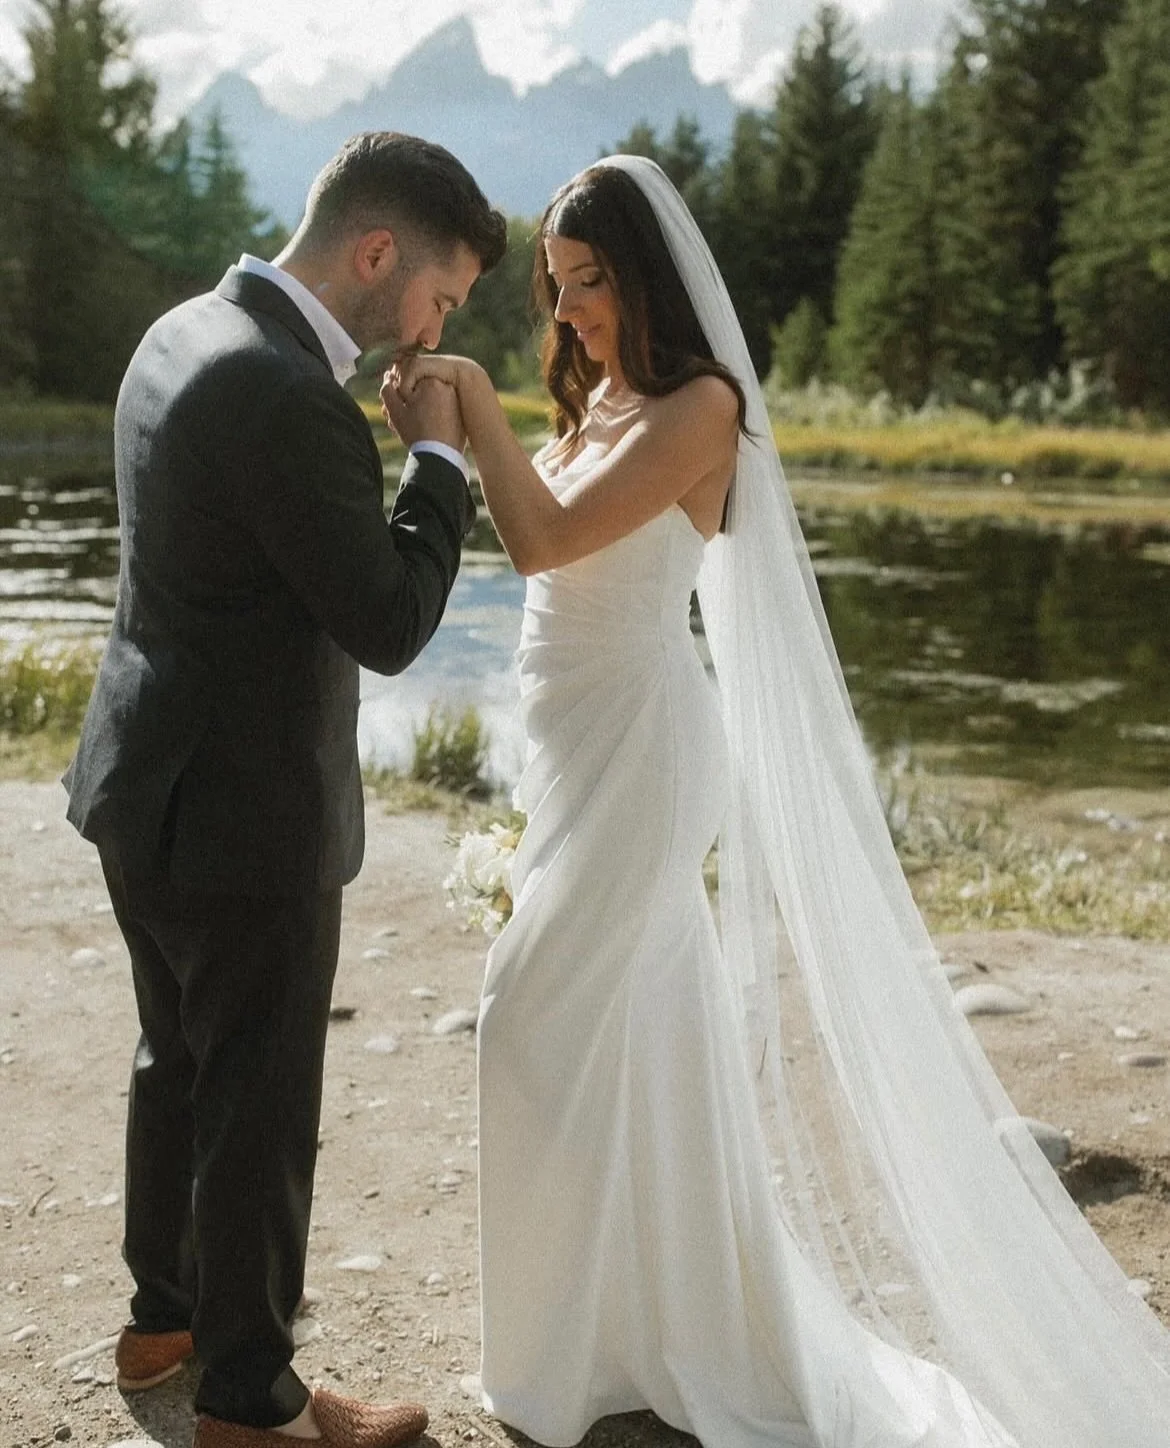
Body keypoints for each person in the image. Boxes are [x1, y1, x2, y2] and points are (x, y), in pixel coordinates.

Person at [382, 157, 1170, 1448]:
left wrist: (462, 403)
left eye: (590, 282)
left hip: (643, 743)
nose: (568, 309)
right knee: (642, 1027)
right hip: (571, 747)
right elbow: (546, 543)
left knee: (526, 1014)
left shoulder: (700, 408)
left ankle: (615, 1345)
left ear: (645, 279)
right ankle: (617, 1337)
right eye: (556, 285)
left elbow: (542, 543)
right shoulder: (597, 408)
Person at [64, 131, 506, 1448]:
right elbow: (383, 618)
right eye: (438, 298)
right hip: (247, 816)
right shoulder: (282, 391)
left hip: (142, 778)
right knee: (256, 1105)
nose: (430, 329)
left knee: (177, 1066)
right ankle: (248, 1407)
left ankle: (169, 1322)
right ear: (377, 254)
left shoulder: (182, 330)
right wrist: (440, 464)